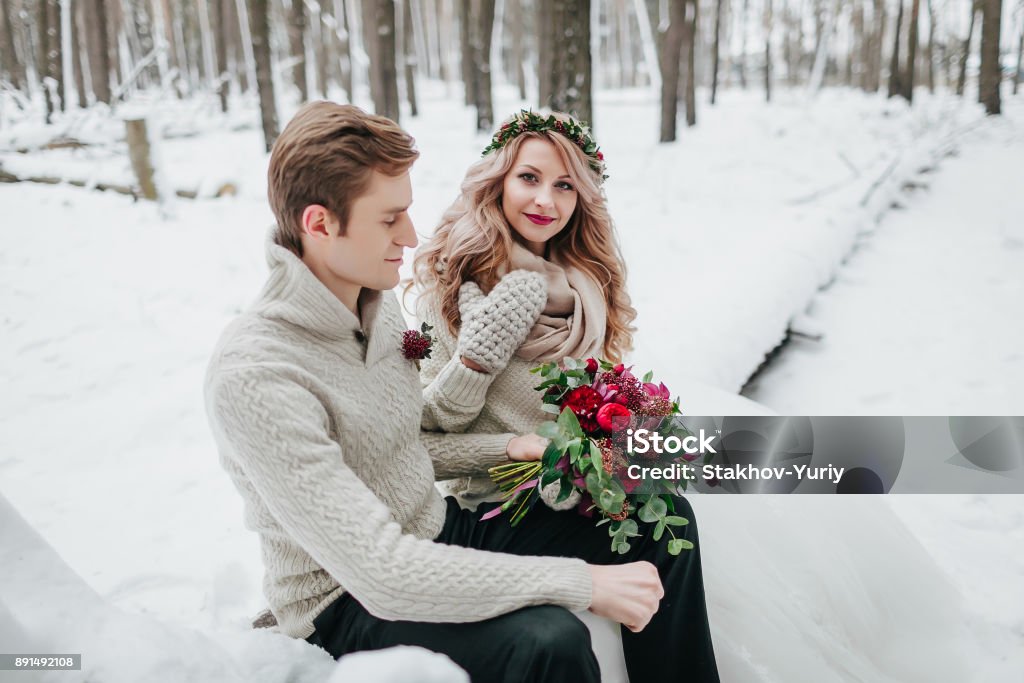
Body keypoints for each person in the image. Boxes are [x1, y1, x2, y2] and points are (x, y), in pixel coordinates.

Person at [204, 101, 715, 682]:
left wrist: (514, 448)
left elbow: (405, 445)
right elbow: (382, 572)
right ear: (320, 224)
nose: (412, 235)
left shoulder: (376, 309)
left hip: (438, 528)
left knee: (661, 525)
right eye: (390, 219)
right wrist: (582, 582)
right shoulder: (258, 375)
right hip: (345, 601)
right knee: (549, 640)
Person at [412, 110, 635, 513]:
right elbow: (424, 435)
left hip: (582, 499)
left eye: (564, 185)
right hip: (495, 510)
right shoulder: (449, 288)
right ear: (498, 181)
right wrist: (473, 365)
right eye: (529, 177)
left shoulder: (588, 290)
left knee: (675, 513)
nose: (545, 200)